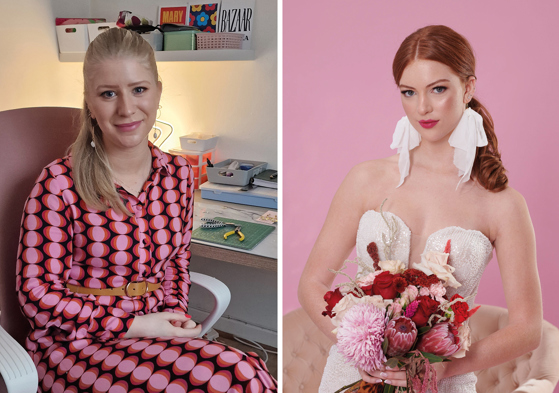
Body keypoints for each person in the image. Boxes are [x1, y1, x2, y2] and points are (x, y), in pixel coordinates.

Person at [16, 28, 276, 393]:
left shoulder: (179, 174)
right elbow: (36, 296)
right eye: (108, 94)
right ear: (90, 102)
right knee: (233, 377)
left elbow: (175, 262)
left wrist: (177, 315)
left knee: (245, 373)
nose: (126, 108)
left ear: (157, 90)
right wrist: (134, 326)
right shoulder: (58, 183)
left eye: (139, 89)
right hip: (74, 345)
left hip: (155, 333)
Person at [297, 25, 542, 392]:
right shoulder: (366, 179)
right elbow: (310, 283)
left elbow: (528, 329)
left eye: (438, 89)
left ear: (469, 88)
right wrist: (362, 350)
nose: (422, 107)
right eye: (409, 93)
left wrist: (446, 368)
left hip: (445, 380)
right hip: (356, 373)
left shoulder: (503, 204)